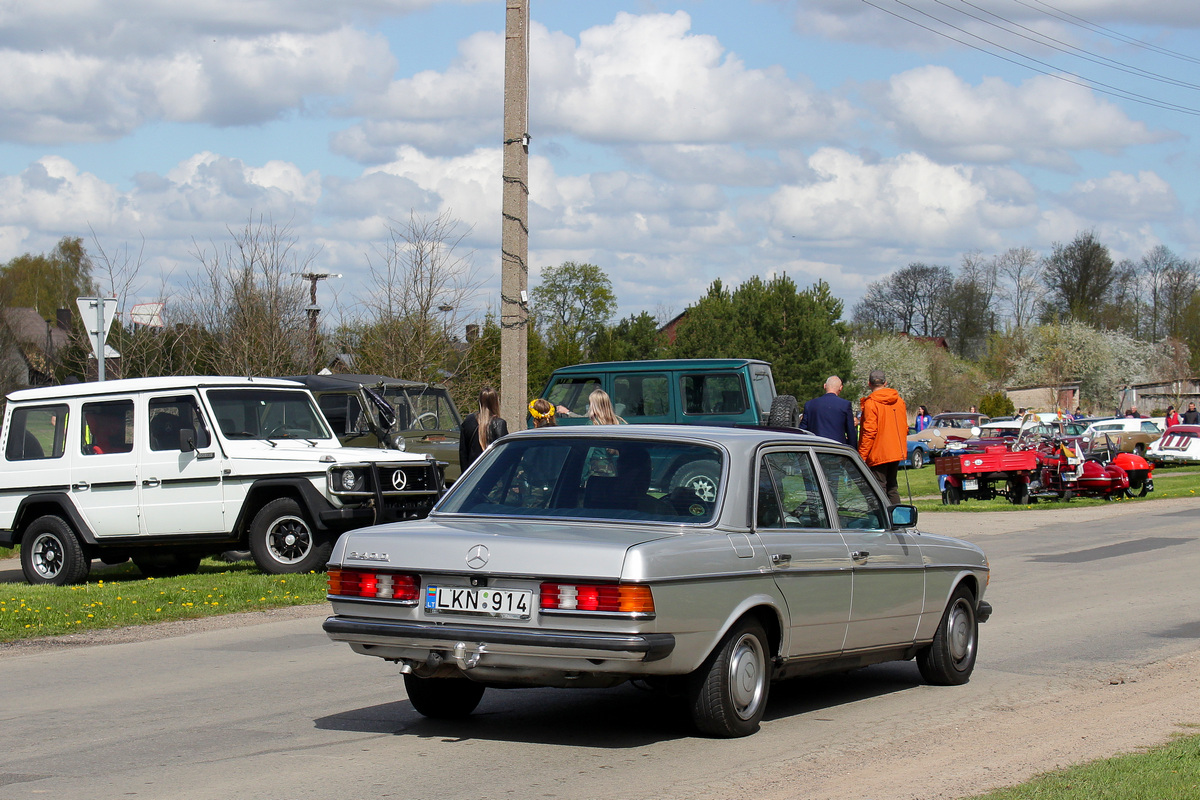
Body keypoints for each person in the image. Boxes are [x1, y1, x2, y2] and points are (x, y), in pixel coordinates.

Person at [858, 370, 908, 506]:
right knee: (892, 487)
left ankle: (883, 520)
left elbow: (869, 432)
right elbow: (905, 427)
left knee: (878, 488)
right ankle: (898, 519)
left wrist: (861, 456)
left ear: (869, 384)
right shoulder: (899, 401)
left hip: (878, 452)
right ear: (885, 383)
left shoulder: (871, 403)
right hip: (896, 450)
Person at [459, 387, 509, 470]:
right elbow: (504, 454)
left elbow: (463, 454)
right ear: (496, 402)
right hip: (491, 473)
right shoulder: (499, 424)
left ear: (480, 402)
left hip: (472, 473)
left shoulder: (468, 421)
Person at [800, 376, 857, 447]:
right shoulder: (845, 405)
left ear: (824, 386)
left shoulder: (810, 405)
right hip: (837, 449)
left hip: (815, 448)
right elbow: (851, 432)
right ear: (841, 388)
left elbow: (803, 430)